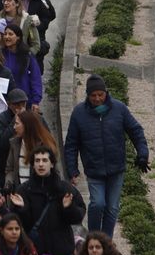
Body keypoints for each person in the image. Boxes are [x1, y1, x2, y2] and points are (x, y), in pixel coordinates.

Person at [63, 74, 147, 238]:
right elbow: (71, 144)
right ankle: (94, 237)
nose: (97, 99)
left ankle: (106, 240)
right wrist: (72, 170)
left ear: (106, 93)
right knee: (97, 203)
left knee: (112, 207)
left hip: (116, 169)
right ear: (88, 95)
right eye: (93, 95)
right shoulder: (79, 113)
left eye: (100, 95)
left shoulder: (119, 109)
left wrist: (143, 153)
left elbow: (136, 131)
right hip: (94, 170)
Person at [15, 145, 85, 255]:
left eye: (44, 160)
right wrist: (22, 209)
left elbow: (78, 216)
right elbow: (20, 223)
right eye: (37, 161)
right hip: (36, 252)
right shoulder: (24, 190)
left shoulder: (65, 188)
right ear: (33, 164)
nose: (41, 164)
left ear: (52, 163)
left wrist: (68, 208)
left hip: (61, 252)